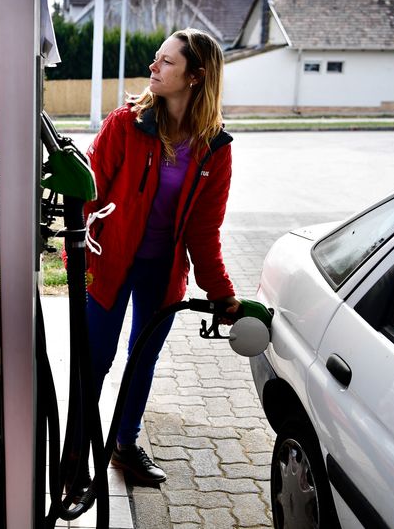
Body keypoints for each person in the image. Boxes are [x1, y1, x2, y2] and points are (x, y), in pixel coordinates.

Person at [83, 28, 240, 484]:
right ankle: (76, 448)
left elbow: (203, 230)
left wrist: (221, 293)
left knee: (142, 357)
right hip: (110, 264)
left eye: (167, 62)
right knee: (96, 358)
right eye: (157, 59)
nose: (154, 67)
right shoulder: (124, 125)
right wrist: (82, 259)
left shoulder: (215, 147)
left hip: (163, 271)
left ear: (196, 76)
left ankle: (124, 446)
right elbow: (89, 199)